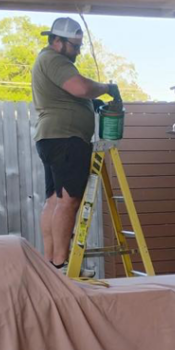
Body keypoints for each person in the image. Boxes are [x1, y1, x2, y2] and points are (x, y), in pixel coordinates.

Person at [31, 17, 121, 270]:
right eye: (74, 45)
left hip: (51, 137)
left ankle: (50, 262)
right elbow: (80, 87)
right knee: (69, 200)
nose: (78, 51)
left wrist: (90, 105)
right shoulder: (54, 59)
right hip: (66, 138)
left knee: (55, 199)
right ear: (57, 41)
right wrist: (106, 88)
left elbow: (69, 95)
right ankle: (62, 262)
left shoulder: (47, 61)